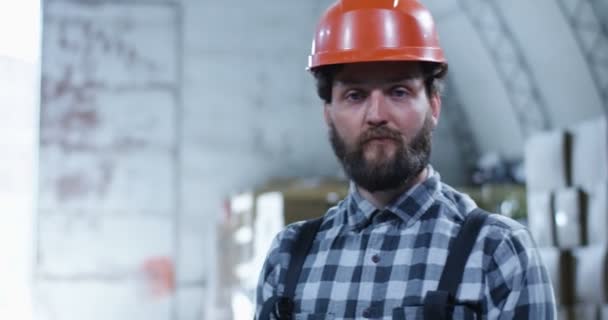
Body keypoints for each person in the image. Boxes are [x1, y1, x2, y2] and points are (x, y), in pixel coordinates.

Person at [255, 0, 556, 319]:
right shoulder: (288, 257)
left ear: (434, 107)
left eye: (398, 92)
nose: (377, 115)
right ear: (328, 115)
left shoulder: (498, 252)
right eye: (355, 95)